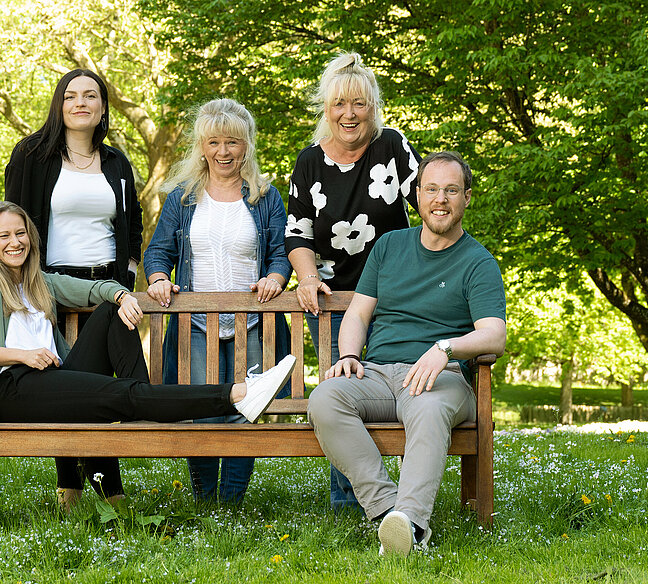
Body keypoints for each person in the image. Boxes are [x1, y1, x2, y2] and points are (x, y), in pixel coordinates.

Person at [0, 201, 295, 508]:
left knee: (109, 312)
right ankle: (239, 393)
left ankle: (141, 402)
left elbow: (94, 289)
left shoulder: (39, 282)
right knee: (120, 394)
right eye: (4, 236)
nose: (15, 242)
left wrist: (122, 297)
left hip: (51, 379)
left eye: (21, 233)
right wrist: (21, 355)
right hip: (14, 389)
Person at [305, 151, 506, 556]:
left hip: (441, 378)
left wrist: (444, 348)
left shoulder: (479, 262)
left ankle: (411, 526)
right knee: (325, 398)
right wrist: (348, 355)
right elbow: (359, 313)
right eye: (431, 189)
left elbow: (494, 335)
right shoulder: (389, 246)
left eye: (451, 190)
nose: (440, 199)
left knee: (429, 409)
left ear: (467, 197)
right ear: (416, 195)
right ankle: (386, 515)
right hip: (377, 373)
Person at [286, 52, 422, 511]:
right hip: (331, 296)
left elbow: (429, 207)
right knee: (339, 389)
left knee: (388, 390)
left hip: (393, 298)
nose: (349, 114)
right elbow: (298, 233)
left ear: (373, 106)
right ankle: (349, 502)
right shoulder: (307, 162)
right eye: (339, 104)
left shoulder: (393, 147)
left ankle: (401, 494)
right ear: (325, 107)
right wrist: (305, 278)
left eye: (359, 104)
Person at [4, 69, 143, 506]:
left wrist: (129, 272)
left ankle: (104, 487)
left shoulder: (118, 162)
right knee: (62, 383)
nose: (80, 103)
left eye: (91, 96)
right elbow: (12, 222)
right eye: (71, 96)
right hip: (52, 286)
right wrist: (22, 285)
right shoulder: (32, 155)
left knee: (97, 382)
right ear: (59, 105)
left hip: (107, 285)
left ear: (103, 106)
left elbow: (131, 223)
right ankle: (71, 486)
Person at [143, 99, 291, 503]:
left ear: (247, 146)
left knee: (248, 408)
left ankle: (231, 503)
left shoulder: (265, 196)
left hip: (253, 323)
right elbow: (157, 253)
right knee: (203, 409)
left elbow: (281, 252)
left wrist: (276, 278)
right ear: (201, 146)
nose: (223, 152)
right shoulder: (182, 198)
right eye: (214, 142)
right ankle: (204, 500)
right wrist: (158, 279)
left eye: (232, 142)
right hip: (195, 324)